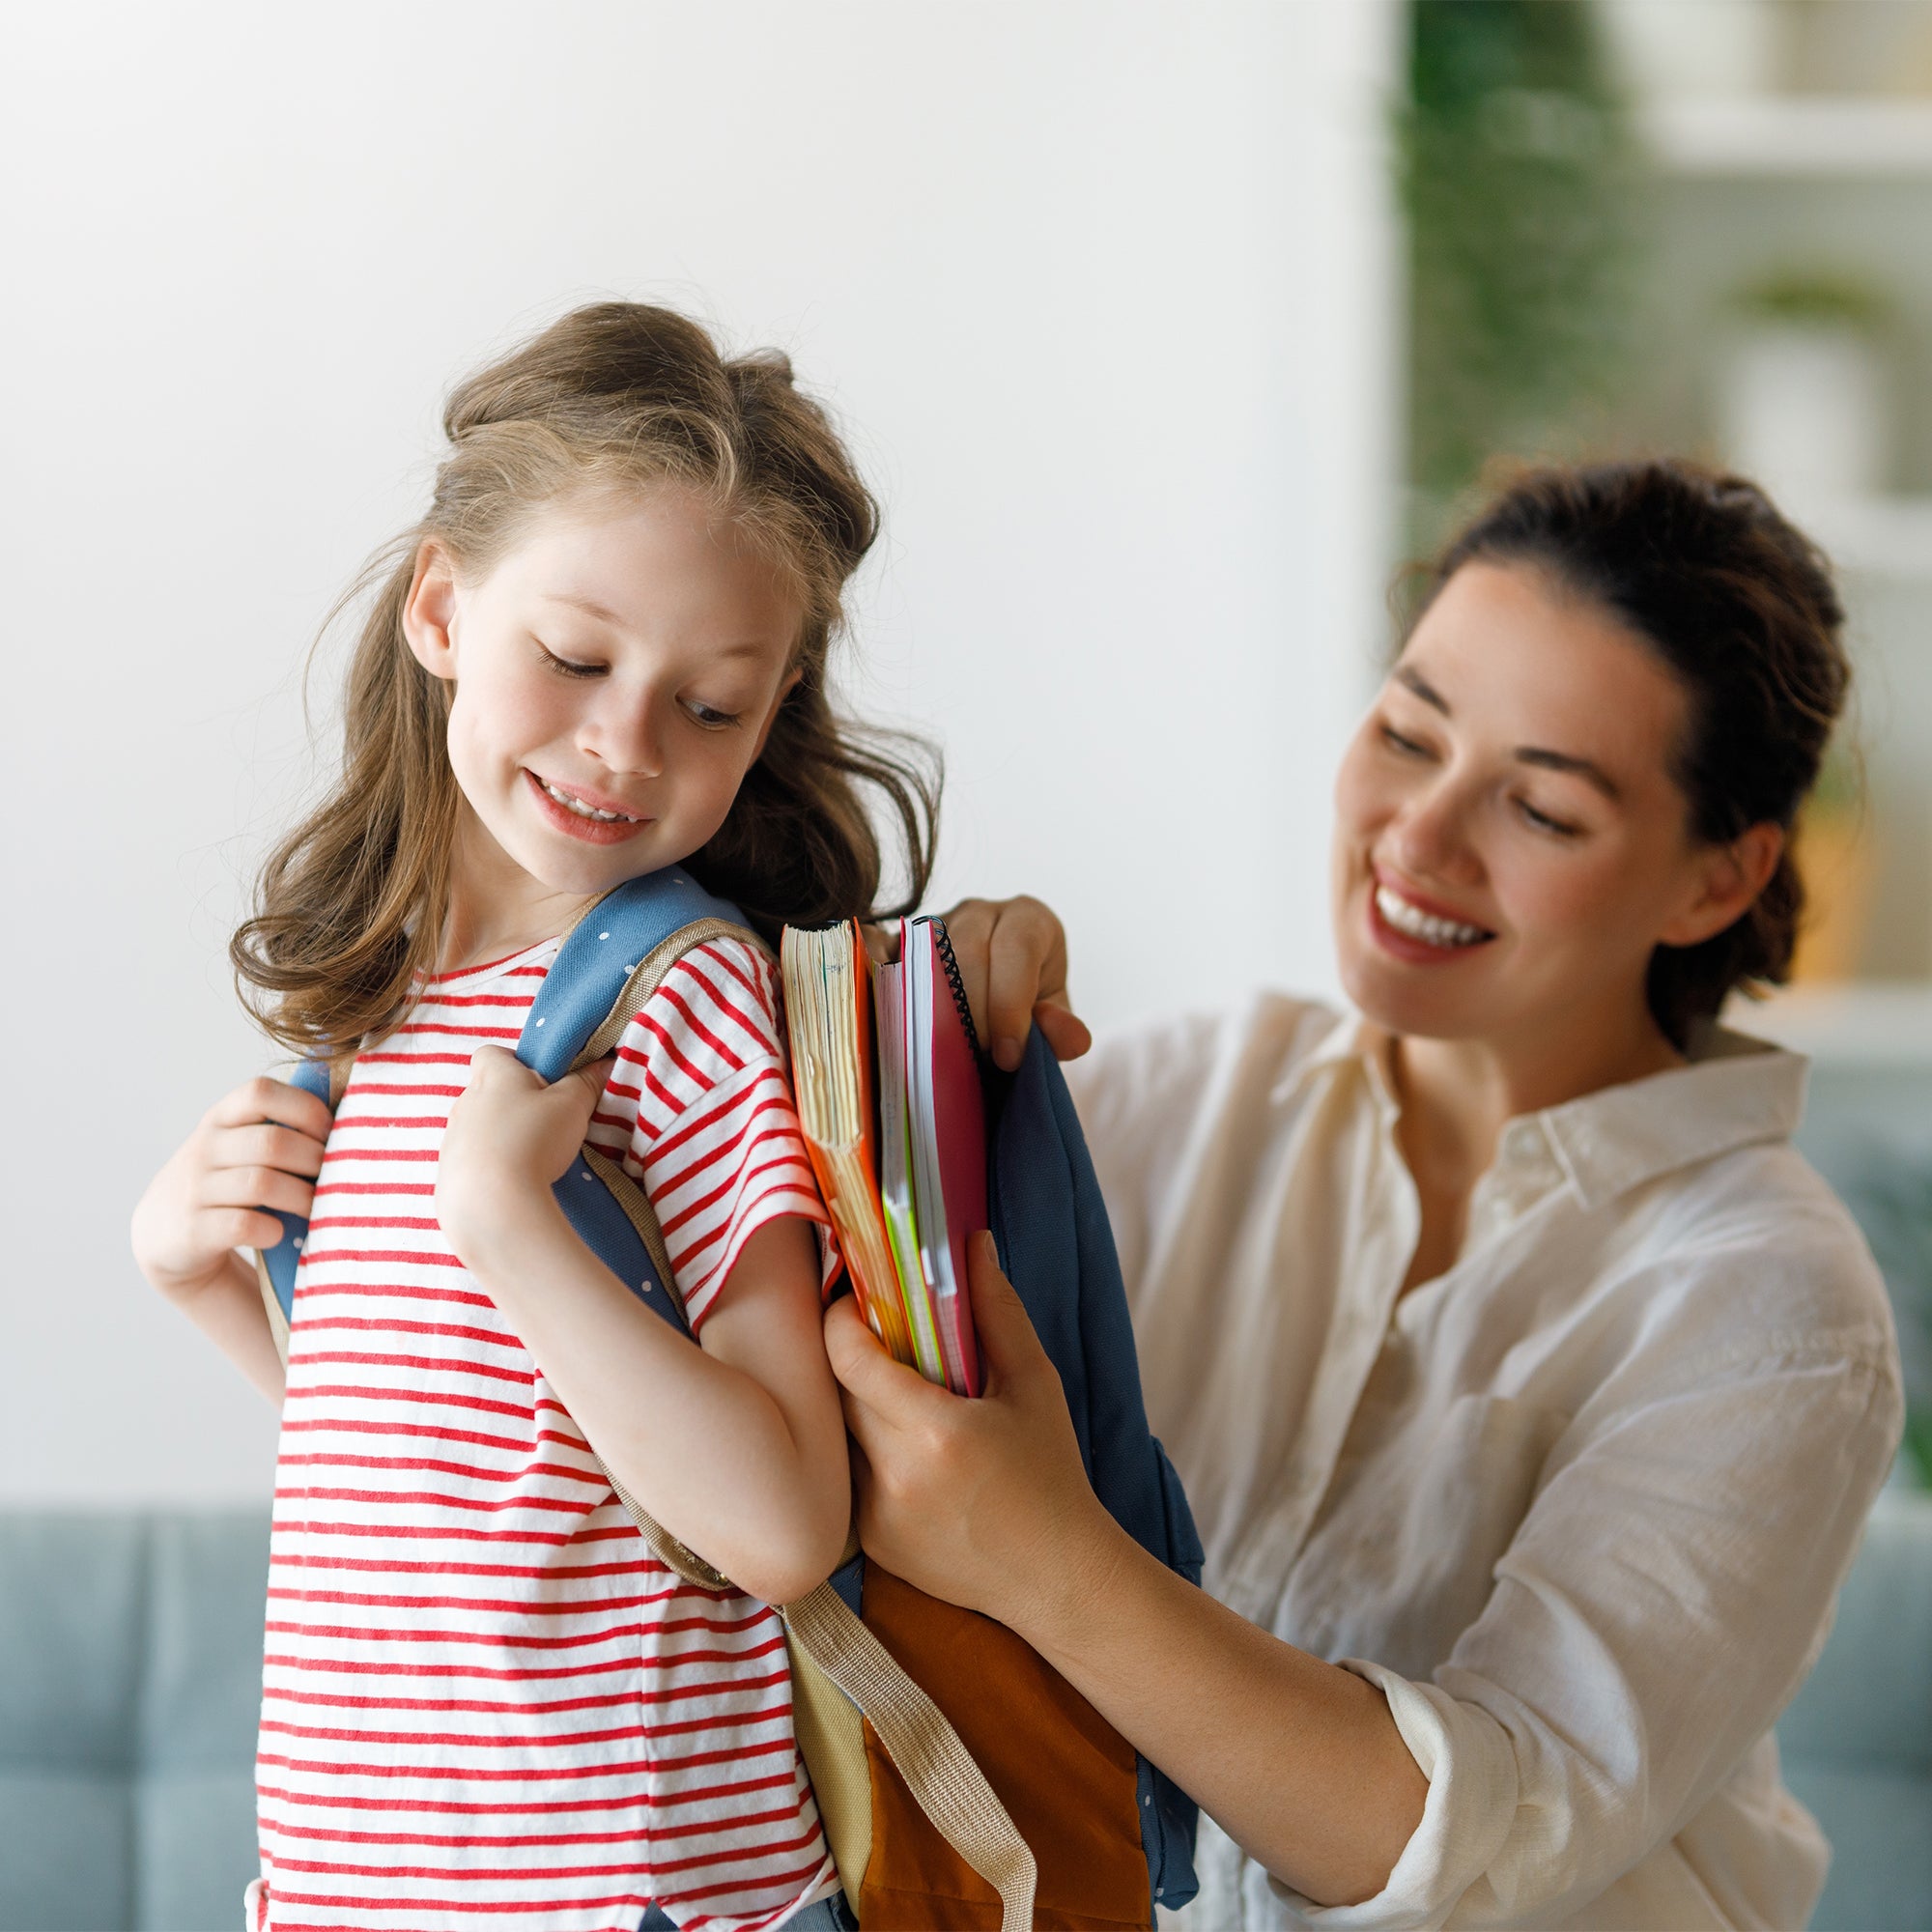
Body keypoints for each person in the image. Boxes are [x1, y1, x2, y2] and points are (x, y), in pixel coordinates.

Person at [829, 460, 1906, 1930]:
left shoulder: (1775, 1311)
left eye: (1542, 809)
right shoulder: (1180, 1101)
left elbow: (1470, 1842)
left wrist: (1043, 1553)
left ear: (1715, 883)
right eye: (1409, 733)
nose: (1420, 836)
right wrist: (923, 1038)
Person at [129, 301, 938, 1932]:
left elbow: (782, 1521)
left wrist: (509, 1225)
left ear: (775, 705)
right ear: (442, 606)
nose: (624, 744)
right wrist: (198, 1275)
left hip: (623, 1892)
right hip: (356, 1887)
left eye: (711, 706)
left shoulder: (681, 1004)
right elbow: (453, 1471)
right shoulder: (382, 1010)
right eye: (575, 659)